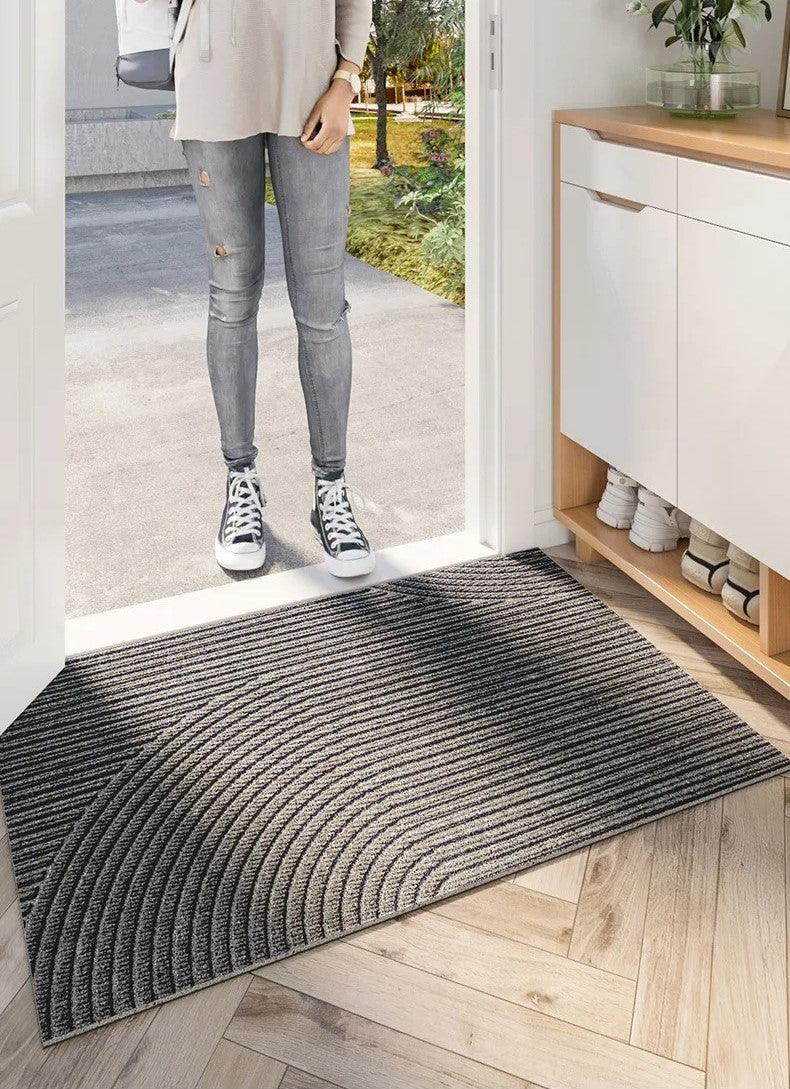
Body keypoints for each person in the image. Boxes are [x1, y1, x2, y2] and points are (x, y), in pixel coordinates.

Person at [168, 0, 375, 577]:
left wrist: (346, 81)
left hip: (312, 91)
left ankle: (331, 490)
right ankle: (241, 482)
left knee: (322, 308)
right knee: (232, 296)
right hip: (213, 86)